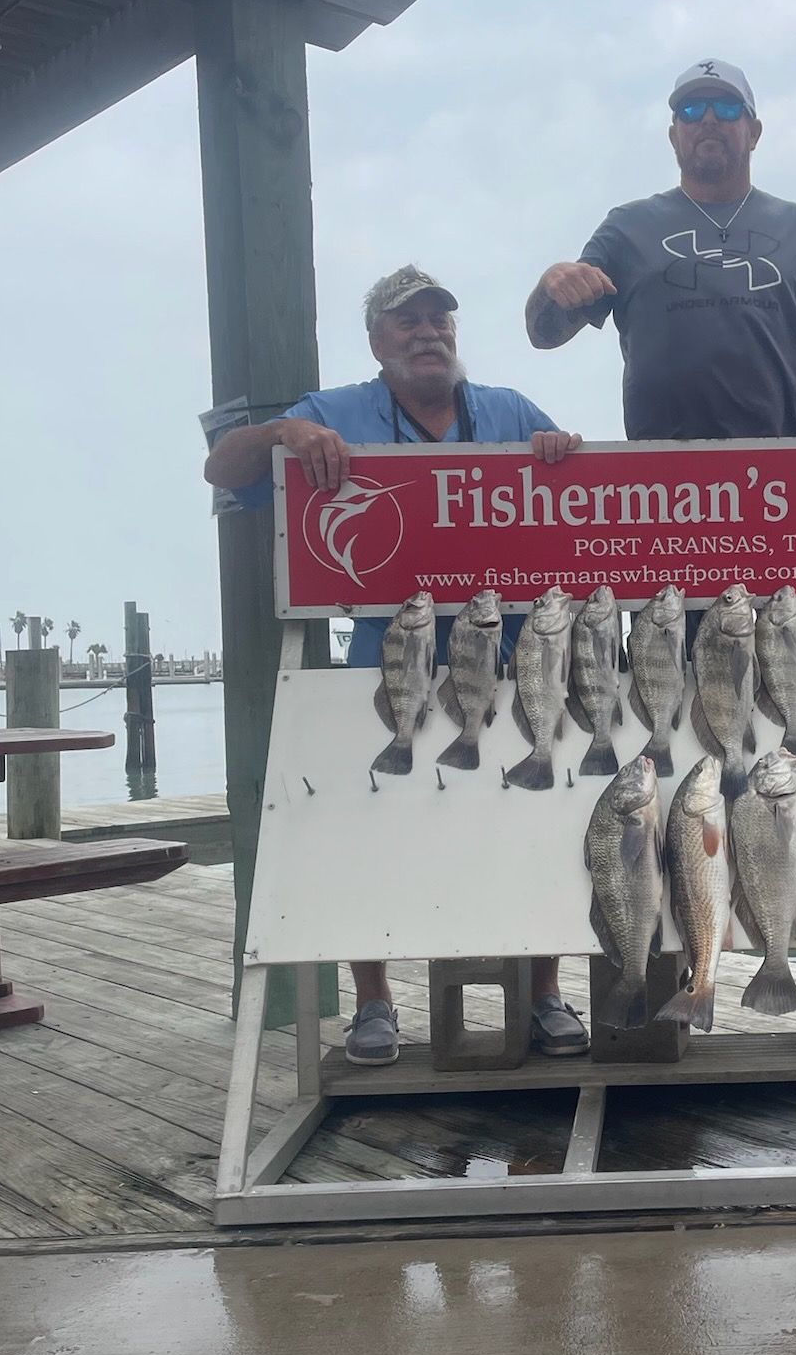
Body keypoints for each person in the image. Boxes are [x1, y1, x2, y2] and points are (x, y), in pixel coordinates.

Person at [204, 265, 591, 1069]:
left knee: (536, 825)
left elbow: (580, 500)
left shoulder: (511, 410)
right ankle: (375, 1001)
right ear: (377, 341)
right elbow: (223, 470)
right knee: (369, 826)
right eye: (408, 323)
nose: (428, 335)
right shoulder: (333, 411)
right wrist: (283, 433)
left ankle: (547, 991)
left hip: (515, 663)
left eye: (440, 321)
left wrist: (560, 448)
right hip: (389, 668)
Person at [524, 58, 796, 440]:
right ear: (674, 135)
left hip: (786, 470)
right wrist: (550, 286)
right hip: (658, 479)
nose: (708, 120)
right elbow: (544, 334)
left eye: (727, 108)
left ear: (754, 132)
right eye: (691, 110)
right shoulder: (627, 227)